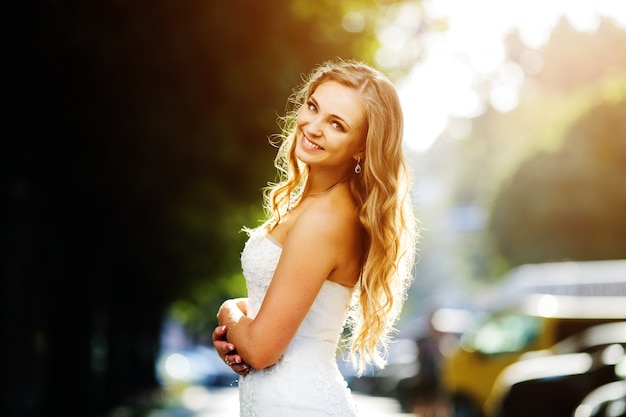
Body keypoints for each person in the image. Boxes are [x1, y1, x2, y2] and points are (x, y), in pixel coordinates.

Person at [212, 59, 419, 416]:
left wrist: (228, 313)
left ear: (360, 147)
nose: (313, 127)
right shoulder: (317, 205)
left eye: (337, 124)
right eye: (313, 107)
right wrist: (240, 326)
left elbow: (261, 350)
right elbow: (280, 310)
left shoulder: (325, 218)